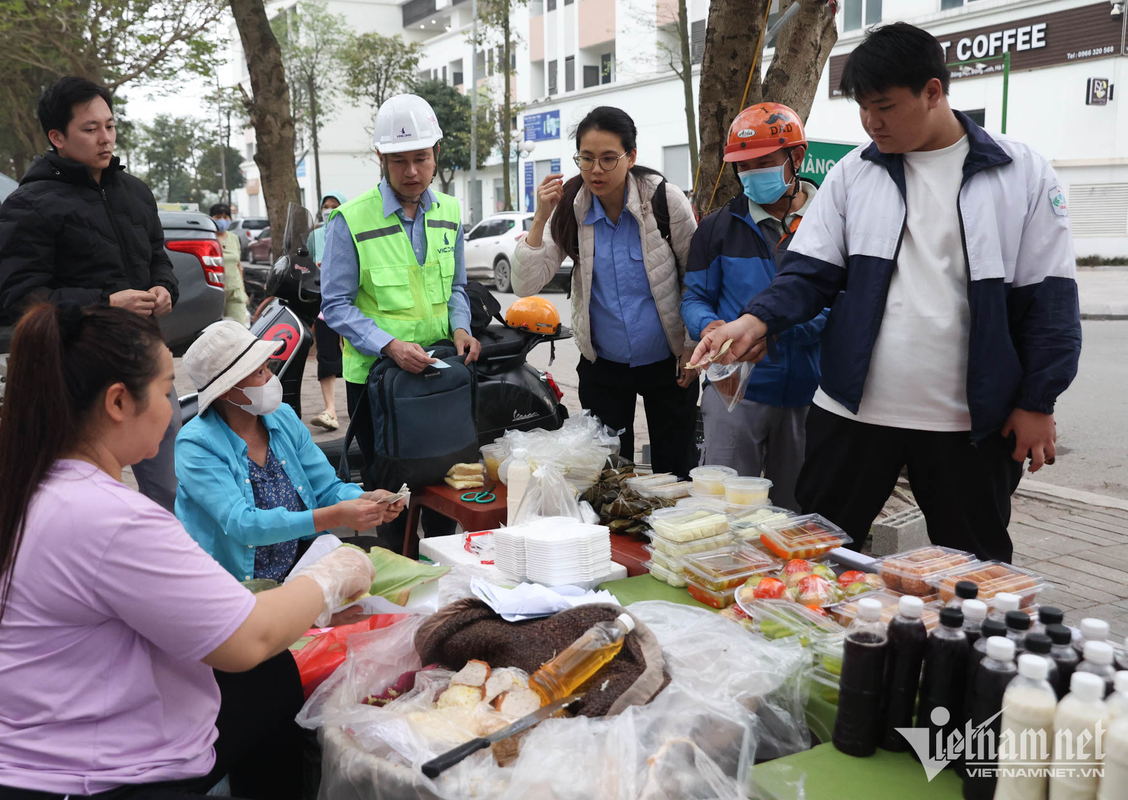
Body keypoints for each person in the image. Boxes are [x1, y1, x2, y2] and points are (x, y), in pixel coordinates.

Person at [689, 23, 1082, 561]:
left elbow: (1051, 302)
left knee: (973, 564)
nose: (872, 122)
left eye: (885, 107)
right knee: (820, 556)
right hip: (851, 413)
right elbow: (807, 275)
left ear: (933, 92)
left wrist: (1037, 402)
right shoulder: (855, 173)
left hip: (967, 423)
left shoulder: (1021, 173)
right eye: (862, 108)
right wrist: (754, 321)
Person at [0, 302, 375, 799]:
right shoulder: (115, 515)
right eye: (165, 389)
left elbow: (323, 491)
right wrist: (331, 575)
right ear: (118, 402)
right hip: (75, 781)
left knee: (270, 677)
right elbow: (250, 637)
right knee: (266, 666)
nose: (173, 407)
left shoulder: (47, 487)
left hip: (35, 761)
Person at [0, 76, 182, 513]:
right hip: (75, 370)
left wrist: (164, 287)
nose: (105, 138)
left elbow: (158, 257)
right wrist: (106, 303)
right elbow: (22, 297)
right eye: (90, 128)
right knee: (86, 495)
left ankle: (163, 553)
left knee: (170, 490)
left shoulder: (135, 193)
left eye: (110, 126)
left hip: (143, 358)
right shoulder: (27, 205)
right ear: (57, 137)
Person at [319, 94, 479, 549]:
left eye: (421, 158)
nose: (412, 171)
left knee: (448, 486)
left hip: (438, 375)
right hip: (378, 383)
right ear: (381, 159)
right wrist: (389, 345)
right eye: (399, 161)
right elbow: (335, 305)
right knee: (391, 500)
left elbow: (457, 287)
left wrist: (462, 328)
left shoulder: (450, 212)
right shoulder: (349, 220)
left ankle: (443, 565)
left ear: (436, 154)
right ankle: (397, 567)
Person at [513, 106, 700, 476]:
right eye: (586, 158)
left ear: (631, 157)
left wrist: (692, 346)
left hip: (669, 361)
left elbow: (696, 276)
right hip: (604, 366)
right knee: (609, 474)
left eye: (608, 158)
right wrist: (540, 217)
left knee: (674, 471)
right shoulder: (570, 207)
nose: (595, 170)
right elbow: (525, 284)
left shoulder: (664, 200)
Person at [175, 320, 405, 581]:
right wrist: (335, 516)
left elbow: (326, 487)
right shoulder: (196, 444)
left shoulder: (282, 418)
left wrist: (364, 499)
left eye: (268, 368)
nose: (270, 378)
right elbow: (243, 524)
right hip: (233, 580)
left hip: (298, 559)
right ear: (226, 391)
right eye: (259, 373)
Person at [681, 103, 827, 511]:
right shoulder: (717, 227)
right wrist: (708, 325)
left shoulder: (829, 224)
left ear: (797, 157)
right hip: (733, 391)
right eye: (743, 167)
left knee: (797, 514)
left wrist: (770, 329)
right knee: (724, 508)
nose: (751, 175)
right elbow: (694, 297)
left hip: (811, 394)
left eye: (763, 163)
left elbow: (835, 305)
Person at [308, 192, 348, 431]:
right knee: (326, 353)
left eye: (334, 206)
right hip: (325, 303)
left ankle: (360, 406)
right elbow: (306, 266)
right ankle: (330, 410)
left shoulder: (352, 231)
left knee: (358, 353)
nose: (329, 210)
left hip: (354, 303)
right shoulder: (315, 236)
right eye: (325, 206)